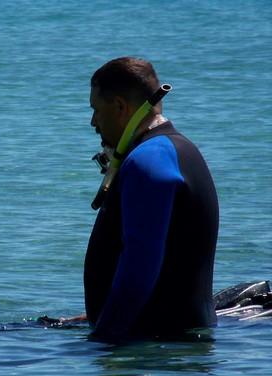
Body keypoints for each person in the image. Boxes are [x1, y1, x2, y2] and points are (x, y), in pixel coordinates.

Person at [83, 57, 219, 343]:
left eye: (96, 110)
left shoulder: (149, 160)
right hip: (168, 346)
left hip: (156, 350)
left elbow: (138, 269)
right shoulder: (172, 149)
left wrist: (102, 342)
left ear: (120, 107)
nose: (93, 121)